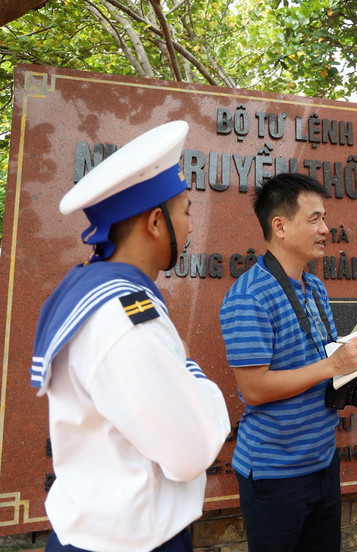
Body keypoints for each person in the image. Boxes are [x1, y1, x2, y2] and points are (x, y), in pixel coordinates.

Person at [29, 121, 232, 552]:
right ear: (157, 222)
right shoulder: (122, 316)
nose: (192, 228)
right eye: (187, 213)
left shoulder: (95, 288)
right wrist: (199, 381)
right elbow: (190, 452)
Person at [218, 172, 357, 552]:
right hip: (274, 476)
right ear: (279, 226)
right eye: (314, 219)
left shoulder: (314, 287)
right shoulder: (248, 296)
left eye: (324, 218)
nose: (326, 229)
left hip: (322, 463)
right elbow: (254, 389)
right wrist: (333, 366)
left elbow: (326, 360)